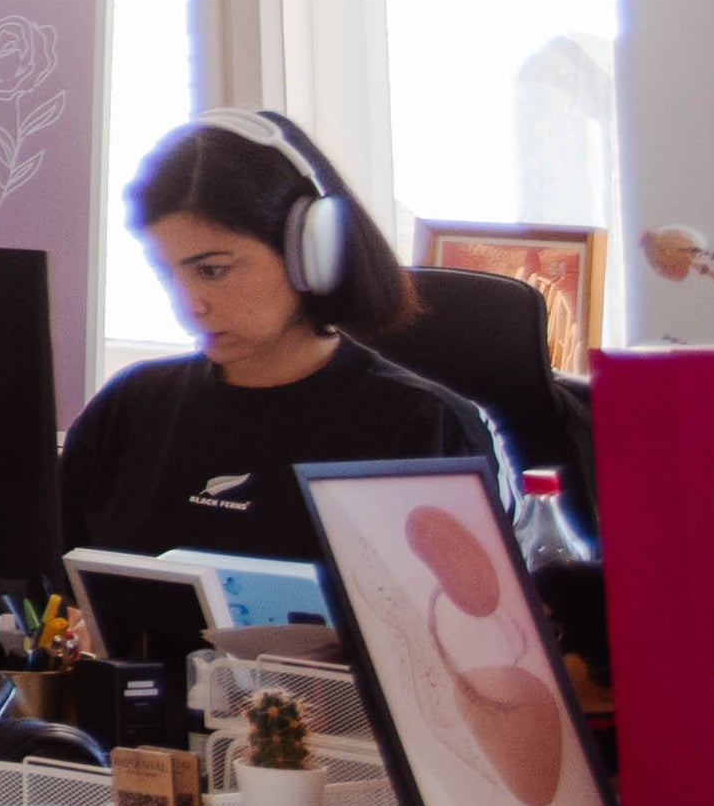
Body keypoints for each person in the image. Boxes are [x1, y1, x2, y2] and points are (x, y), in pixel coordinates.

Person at [56, 112, 498, 566]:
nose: (188, 304)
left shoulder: (424, 428)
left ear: (311, 251)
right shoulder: (129, 407)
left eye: (213, 270)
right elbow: (44, 583)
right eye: (167, 273)